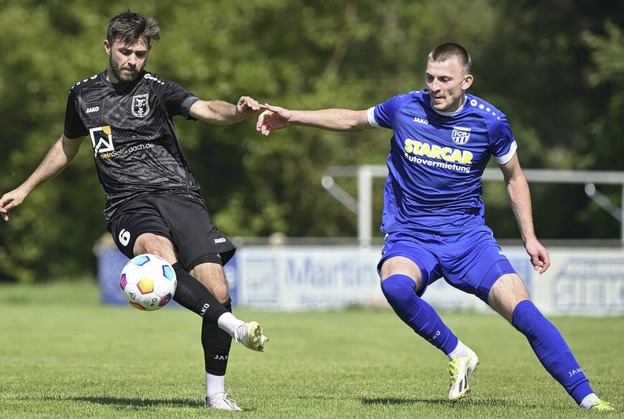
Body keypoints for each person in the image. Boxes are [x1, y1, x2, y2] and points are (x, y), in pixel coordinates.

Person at [256, 43, 613, 411]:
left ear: (466, 81)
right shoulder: (405, 107)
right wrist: (292, 117)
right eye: (430, 77)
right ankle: (459, 353)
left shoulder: (491, 122)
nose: (435, 86)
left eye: (445, 79)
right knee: (394, 286)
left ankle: (589, 400)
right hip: (412, 236)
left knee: (524, 313)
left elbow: (514, 177)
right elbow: (352, 120)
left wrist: (530, 237)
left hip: (468, 240)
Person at [0, 11, 267, 412]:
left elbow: (206, 108)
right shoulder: (83, 96)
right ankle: (234, 326)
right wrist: (25, 187)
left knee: (219, 290)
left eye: (141, 53)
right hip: (128, 203)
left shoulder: (157, 89)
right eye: (126, 52)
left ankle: (216, 396)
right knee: (157, 253)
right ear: (107, 47)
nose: (133, 61)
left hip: (180, 195)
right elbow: (68, 146)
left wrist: (238, 112)